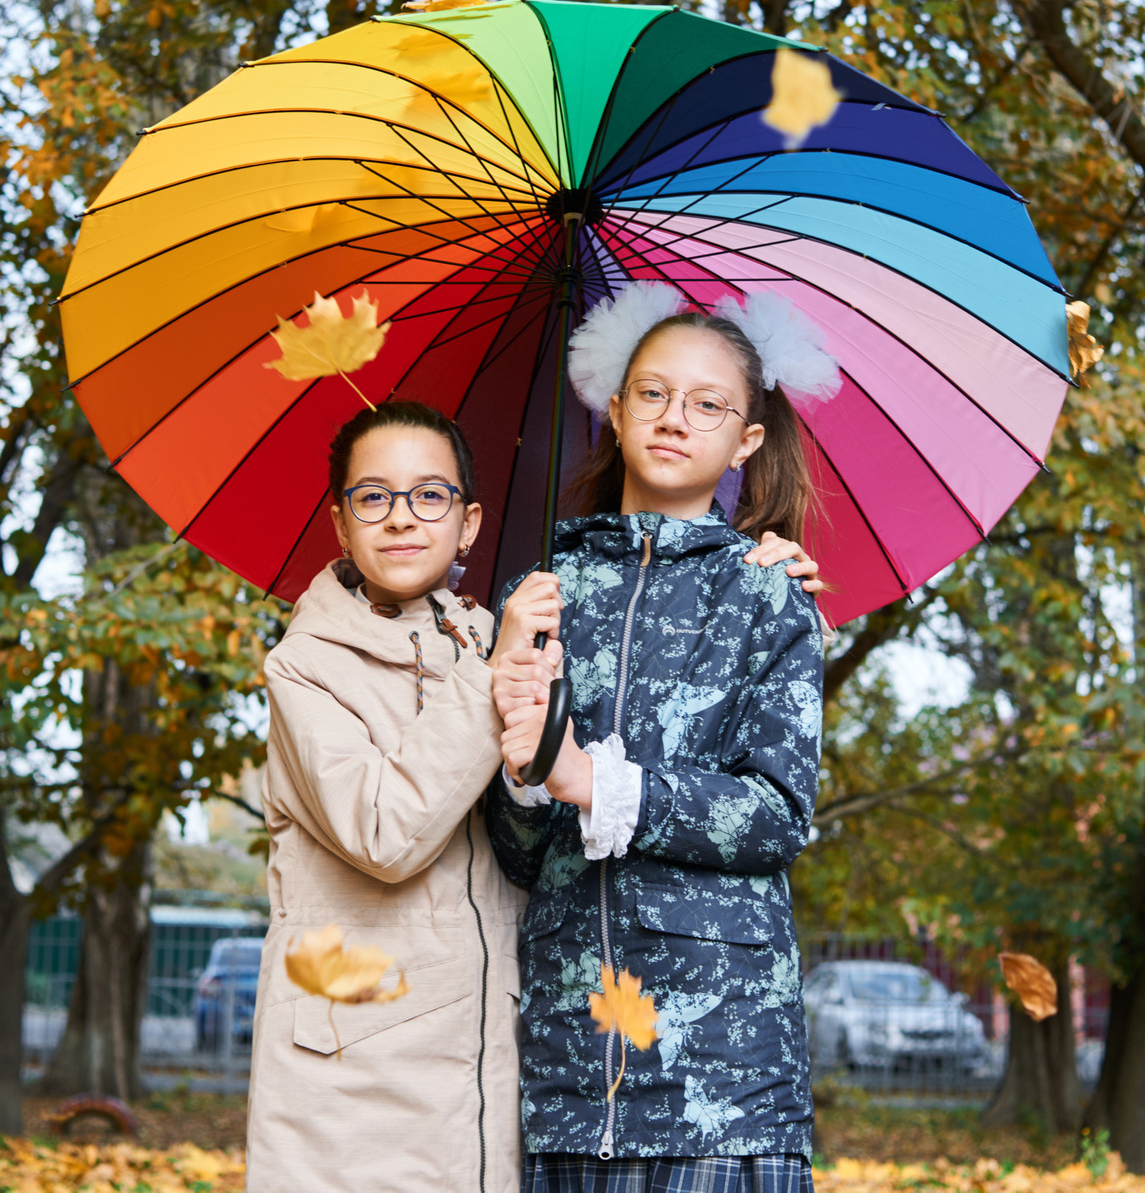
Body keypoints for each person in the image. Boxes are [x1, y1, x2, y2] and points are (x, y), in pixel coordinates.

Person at [250, 397, 822, 1193]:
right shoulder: (306, 667)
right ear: (340, 523)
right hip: (356, 1077)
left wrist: (755, 569)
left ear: (471, 522)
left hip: (488, 1069)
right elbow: (384, 833)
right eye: (372, 496)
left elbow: (528, 840)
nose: (402, 518)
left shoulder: (500, 632)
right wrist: (496, 672)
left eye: (431, 495)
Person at [488, 283, 834, 1193]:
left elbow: (776, 816)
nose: (675, 418)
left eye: (708, 403)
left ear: (746, 439)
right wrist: (526, 765)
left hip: (722, 1087)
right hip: (565, 1073)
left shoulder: (767, 595)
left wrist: (591, 778)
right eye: (652, 393)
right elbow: (520, 855)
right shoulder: (539, 593)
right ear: (614, 407)